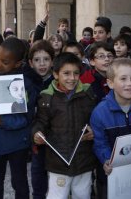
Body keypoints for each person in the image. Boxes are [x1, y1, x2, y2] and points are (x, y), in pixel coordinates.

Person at [32, 52, 97, 199]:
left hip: (83, 159)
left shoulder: (88, 94)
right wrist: (37, 133)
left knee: (83, 195)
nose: (72, 78)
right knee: (57, 196)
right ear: (55, 74)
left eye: (75, 73)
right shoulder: (47, 97)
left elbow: (96, 120)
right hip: (58, 161)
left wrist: (94, 131)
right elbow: (40, 122)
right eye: (66, 73)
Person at [0, 37, 35, 199]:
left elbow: (26, 119)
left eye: (5, 62)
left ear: (18, 64)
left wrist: (1, 121)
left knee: (19, 181)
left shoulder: (25, 84)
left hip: (17, 143)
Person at [90, 58, 131, 199]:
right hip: (112, 174)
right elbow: (99, 143)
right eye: (123, 79)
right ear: (111, 83)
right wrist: (106, 160)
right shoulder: (100, 112)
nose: (130, 84)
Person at [24, 40, 55, 199]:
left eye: (46, 59)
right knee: (37, 172)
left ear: (52, 61)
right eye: (37, 60)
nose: (42, 64)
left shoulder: (58, 80)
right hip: (36, 135)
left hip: (56, 135)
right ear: (30, 62)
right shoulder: (25, 81)